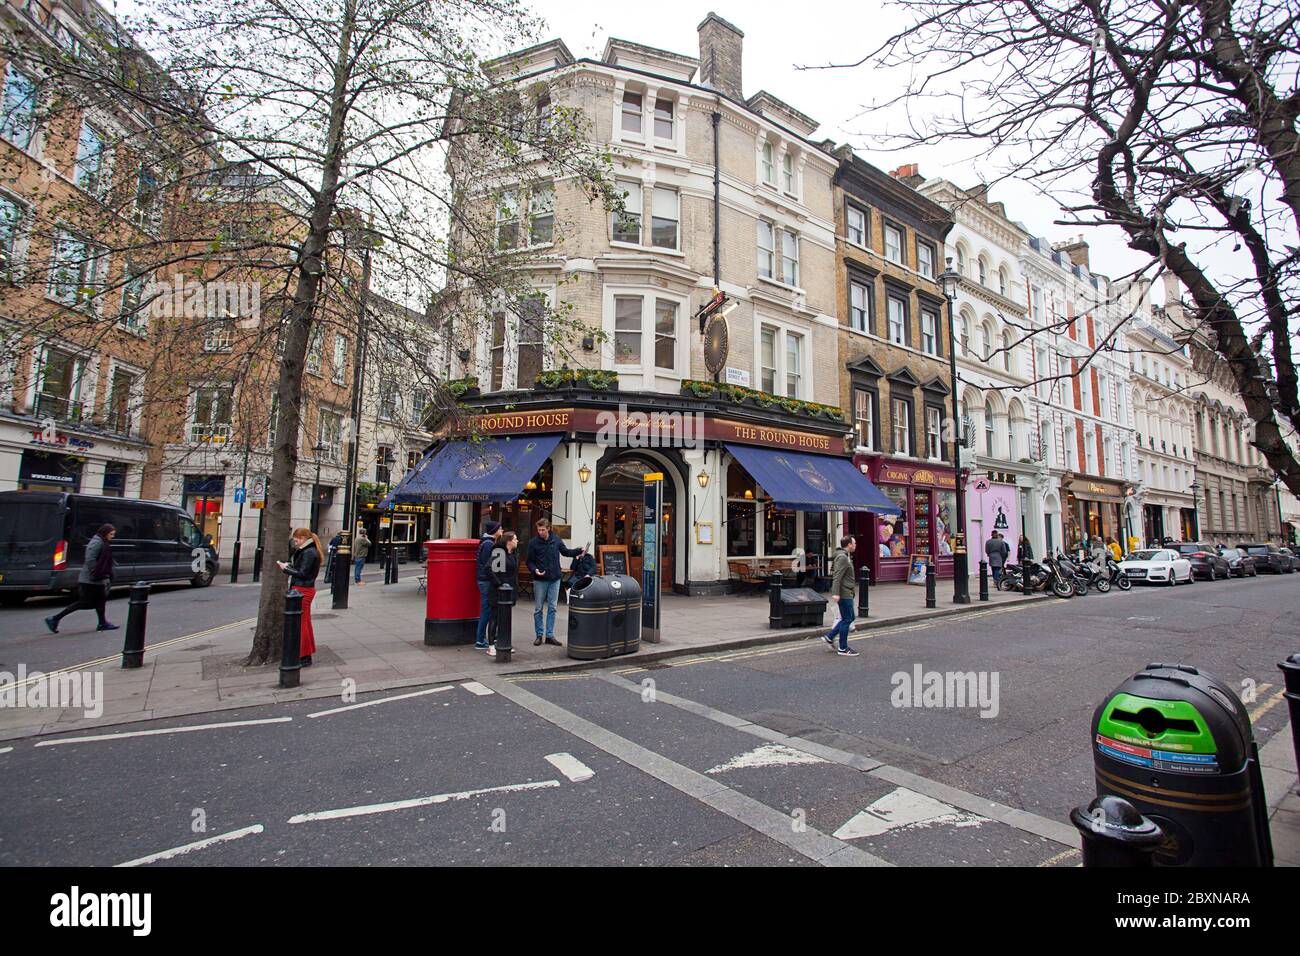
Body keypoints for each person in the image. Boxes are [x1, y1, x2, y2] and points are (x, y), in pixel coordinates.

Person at [45, 524, 118, 633]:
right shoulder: (97, 542)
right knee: (84, 602)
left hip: (97, 579)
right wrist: (95, 572)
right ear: (105, 533)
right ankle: (55, 618)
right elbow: (90, 559)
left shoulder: (102, 542)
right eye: (111, 534)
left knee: (101, 601)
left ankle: (102, 623)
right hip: (90, 580)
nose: (112, 536)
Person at [526, 518, 584, 647]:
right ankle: (539, 635)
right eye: (538, 530)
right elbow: (529, 561)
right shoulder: (533, 543)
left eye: (542, 530)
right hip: (540, 579)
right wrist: (535, 570)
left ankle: (550, 635)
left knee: (552, 608)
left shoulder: (556, 540)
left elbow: (566, 552)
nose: (540, 532)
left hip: (555, 579)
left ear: (548, 529)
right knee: (538, 608)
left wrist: (579, 551)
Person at [277, 528, 321, 666]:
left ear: (303, 538)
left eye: (297, 539)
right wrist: (290, 566)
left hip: (302, 589)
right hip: (304, 588)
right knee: (304, 622)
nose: (295, 541)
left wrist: (286, 569)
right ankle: (305, 654)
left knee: (300, 624)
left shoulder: (309, 552)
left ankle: (303, 656)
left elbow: (302, 573)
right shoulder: (308, 550)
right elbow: (302, 569)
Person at [822, 536, 859, 657]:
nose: (855, 545)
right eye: (854, 543)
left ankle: (830, 636)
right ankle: (843, 648)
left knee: (850, 617)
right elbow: (837, 576)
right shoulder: (843, 557)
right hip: (844, 593)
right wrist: (835, 593)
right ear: (848, 545)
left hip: (846, 592)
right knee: (847, 619)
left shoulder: (844, 556)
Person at [486, 531, 519, 657]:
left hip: (508, 592)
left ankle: (503, 643)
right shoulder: (499, 553)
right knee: (494, 618)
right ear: (508, 541)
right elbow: (488, 568)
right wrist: (499, 583)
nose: (517, 541)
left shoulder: (512, 553)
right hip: (498, 592)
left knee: (504, 619)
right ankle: (491, 646)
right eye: (515, 539)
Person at [474, 520, 503, 649]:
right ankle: (480, 640)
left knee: (487, 609)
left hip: (484, 579)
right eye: (500, 528)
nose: (502, 530)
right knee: (486, 610)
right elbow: (488, 566)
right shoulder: (488, 545)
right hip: (486, 580)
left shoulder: (487, 542)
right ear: (494, 531)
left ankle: (485, 638)